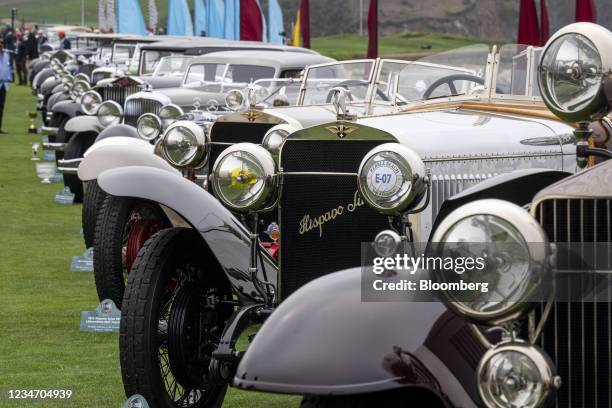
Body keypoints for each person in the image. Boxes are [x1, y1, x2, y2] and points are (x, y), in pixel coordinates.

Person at [0, 37, 12, 133]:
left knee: (1, 107)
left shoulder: (6, 55)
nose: (1, 44)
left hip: (3, 85)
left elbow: (8, 67)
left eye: (2, 42)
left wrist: (9, 79)